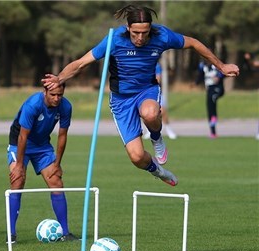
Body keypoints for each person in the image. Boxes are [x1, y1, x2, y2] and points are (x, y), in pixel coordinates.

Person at [42, 4, 239, 187]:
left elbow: (194, 43)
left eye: (144, 33)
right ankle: (159, 171)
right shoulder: (114, 39)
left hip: (147, 90)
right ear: (128, 28)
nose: (140, 38)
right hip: (121, 100)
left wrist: (221, 66)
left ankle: (156, 138)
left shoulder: (162, 35)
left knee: (151, 113)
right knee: (137, 157)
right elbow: (81, 63)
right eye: (136, 33)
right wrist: (59, 78)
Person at [7, 83, 78, 243]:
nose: (56, 98)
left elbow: (62, 136)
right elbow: (22, 136)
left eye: (60, 94)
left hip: (42, 146)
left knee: (56, 182)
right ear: (44, 91)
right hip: (19, 143)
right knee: (17, 181)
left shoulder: (65, 107)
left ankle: (65, 233)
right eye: (53, 94)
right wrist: (18, 165)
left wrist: (57, 164)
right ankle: (11, 234)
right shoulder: (33, 104)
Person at [143, 62, 177, 140]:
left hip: (155, 91)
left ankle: (168, 129)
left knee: (163, 110)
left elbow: (158, 79)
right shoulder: (142, 63)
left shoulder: (156, 65)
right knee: (145, 111)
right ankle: (149, 130)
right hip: (144, 92)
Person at [195, 60, 226, 138]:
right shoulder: (203, 66)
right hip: (209, 89)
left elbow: (224, 71)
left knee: (213, 98)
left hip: (218, 88)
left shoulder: (216, 64)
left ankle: (214, 116)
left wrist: (218, 76)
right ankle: (213, 132)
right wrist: (195, 83)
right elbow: (200, 76)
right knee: (209, 107)